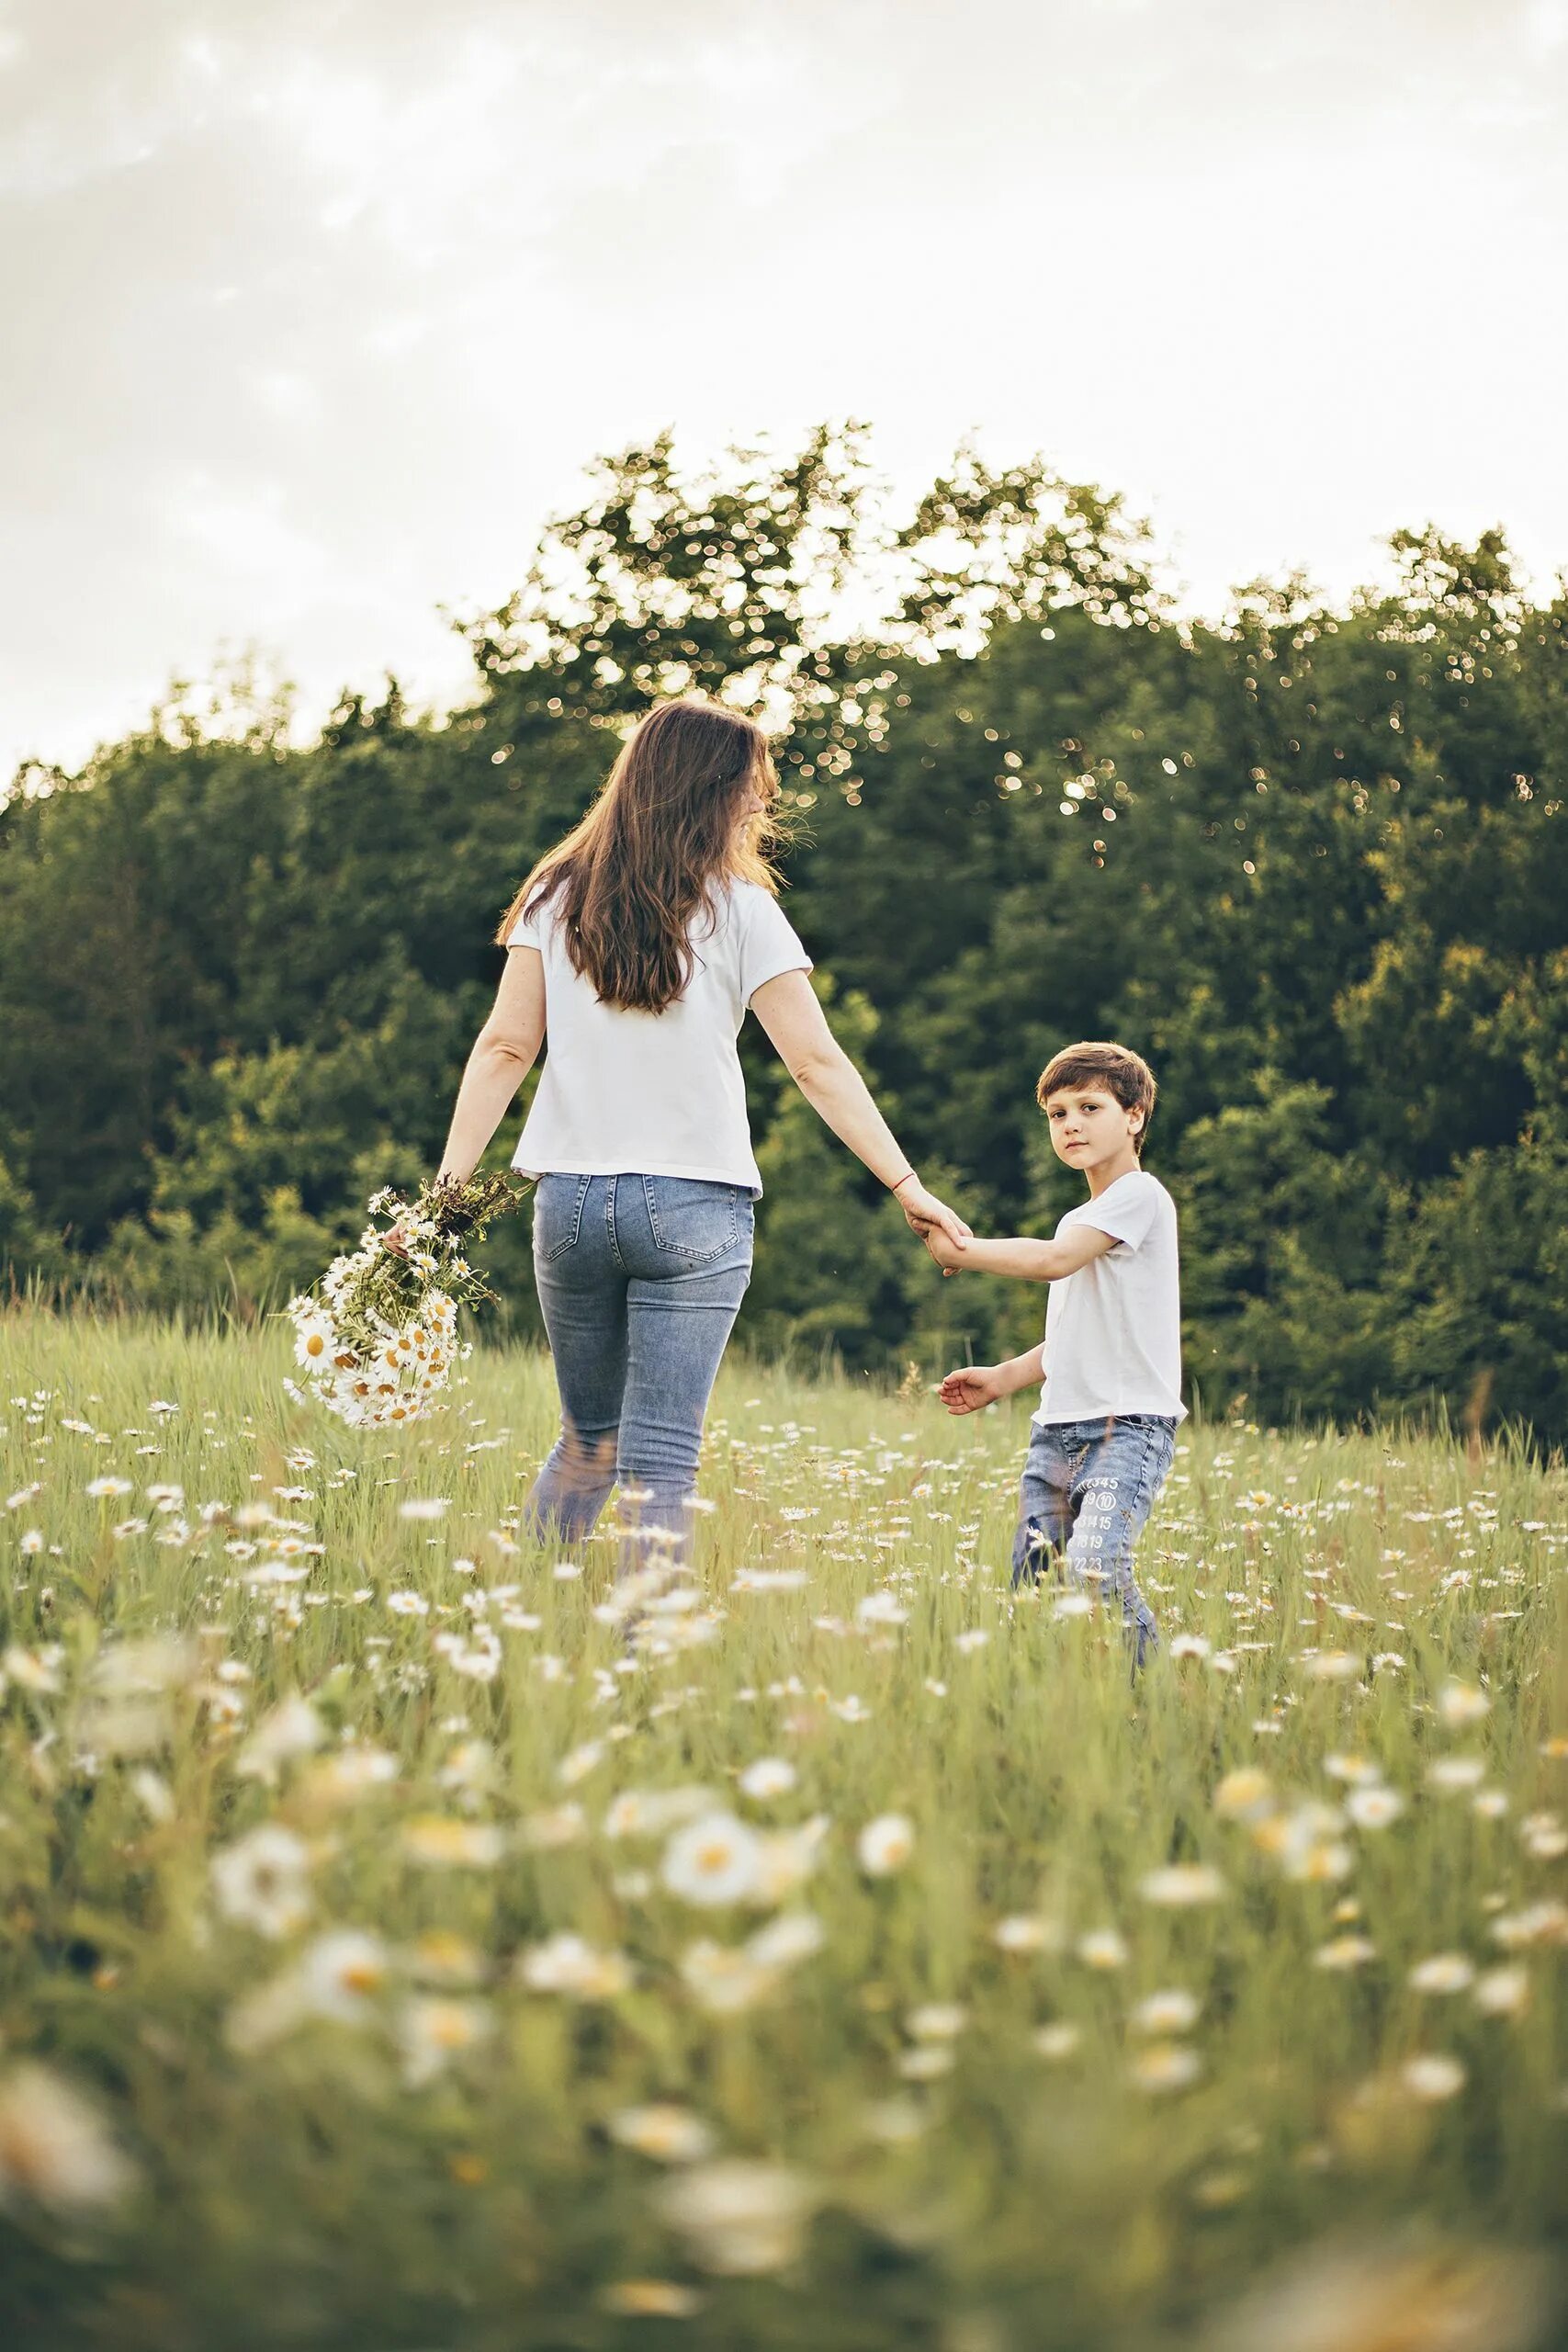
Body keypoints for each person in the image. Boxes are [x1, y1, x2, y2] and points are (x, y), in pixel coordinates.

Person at [415, 698, 968, 1569]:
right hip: (695, 1207)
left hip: (569, 1203)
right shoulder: (743, 910)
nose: (760, 806)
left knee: (587, 1445)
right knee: (661, 1465)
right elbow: (817, 1065)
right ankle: (646, 1674)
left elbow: (505, 1045)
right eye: (751, 788)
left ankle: (516, 1631)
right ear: (705, 791)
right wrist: (908, 1185)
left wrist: (443, 1196)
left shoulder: (552, 897)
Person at [925, 1041, 1182, 1668]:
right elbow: (1073, 1329)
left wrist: (962, 1250)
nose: (1070, 1124)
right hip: (1055, 1433)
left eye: (1089, 1107)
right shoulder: (1084, 1216)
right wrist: (1004, 1378)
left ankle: (1153, 1699)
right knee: (1032, 1585)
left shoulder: (1138, 1197)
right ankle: (1040, 1705)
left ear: (1134, 1116)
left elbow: (1049, 1262)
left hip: (1127, 1431)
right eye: (1057, 1114)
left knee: (1094, 1566)